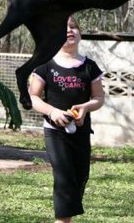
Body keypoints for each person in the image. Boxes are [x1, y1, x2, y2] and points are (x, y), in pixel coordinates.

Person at [29, 16, 106, 223]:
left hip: (81, 131)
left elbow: (99, 98)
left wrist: (85, 108)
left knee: (80, 177)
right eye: (63, 28)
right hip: (54, 132)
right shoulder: (45, 65)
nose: (69, 31)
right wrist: (52, 112)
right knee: (63, 178)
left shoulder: (90, 67)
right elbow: (34, 97)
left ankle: (66, 219)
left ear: (80, 33)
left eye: (73, 27)